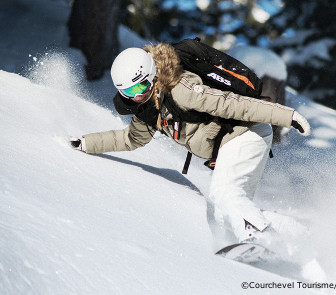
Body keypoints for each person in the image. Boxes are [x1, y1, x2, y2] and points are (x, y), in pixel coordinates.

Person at [70, 42, 310, 247]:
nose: (137, 96)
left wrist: (285, 115)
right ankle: (295, 237)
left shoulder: (182, 90)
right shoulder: (149, 110)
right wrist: (86, 143)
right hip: (229, 144)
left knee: (226, 195)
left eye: (141, 86)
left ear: (153, 73)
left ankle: (259, 239)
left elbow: (234, 104)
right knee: (220, 214)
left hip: (247, 132)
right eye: (129, 92)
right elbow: (130, 139)